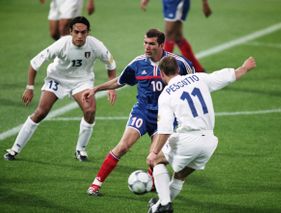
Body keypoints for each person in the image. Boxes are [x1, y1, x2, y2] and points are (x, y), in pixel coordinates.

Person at [84, 28, 195, 196]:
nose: (147, 47)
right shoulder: (138, 63)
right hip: (142, 112)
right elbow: (120, 81)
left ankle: (152, 184)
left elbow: (193, 83)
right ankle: (95, 185)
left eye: (151, 44)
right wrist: (96, 89)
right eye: (145, 43)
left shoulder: (179, 63)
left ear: (161, 45)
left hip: (165, 117)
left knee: (155, 156)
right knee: (122, 146)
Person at [146, 56, 256, 212]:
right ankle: (158, 207)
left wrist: (154, 151)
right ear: (178, 70)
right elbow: (226, 77)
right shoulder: (198, 78)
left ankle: (164, 203)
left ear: (161, 74)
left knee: (156, 161)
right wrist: (244, 67)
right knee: (179, 176)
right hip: (209, 143)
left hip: (188, 139)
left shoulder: (166, 94)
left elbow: (165, 130)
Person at [3, 16, 117, 162]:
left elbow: (111, 65)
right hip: (57, 79)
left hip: (82, 82)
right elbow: (34, 63)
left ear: (88, 32)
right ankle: (15, 149)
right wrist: (29, 87)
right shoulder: (61, 44)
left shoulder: (96, 45)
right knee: (41, 112)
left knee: (90, 111)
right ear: (70, 31)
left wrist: (111, 88)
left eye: (83, 32)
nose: (80, 36)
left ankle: (80, 150)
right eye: (76, 32)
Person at [140, 0, 212, 72]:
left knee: (169, 34)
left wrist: (205, 3)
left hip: (177, 2)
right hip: (168, 2)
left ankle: (162, 71)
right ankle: (198, 69)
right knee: (178, 37)